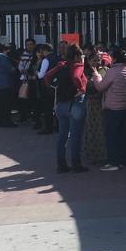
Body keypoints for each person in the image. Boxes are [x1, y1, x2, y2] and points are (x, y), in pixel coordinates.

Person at [44, 44, 89, 174]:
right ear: (76, 56)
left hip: (60, 104)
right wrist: (81, 89)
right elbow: (76, 77)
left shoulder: (61, 65)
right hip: (74, 103)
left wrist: (51, 89)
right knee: (76, 135)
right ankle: (76, 164)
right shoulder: (77, 66)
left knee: (62, 135)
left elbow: (47, 76)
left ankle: (61, 164)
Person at [94, 48, 126, 171]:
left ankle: (113, 162)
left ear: (115, 58)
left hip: (113, 108)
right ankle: (125, 160)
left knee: (112, 135)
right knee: (125, 135)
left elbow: (100, 87)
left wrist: (96, 76)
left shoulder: (113, 71)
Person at [82, 51, 108, 167]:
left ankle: (102, 155)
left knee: (102, 129)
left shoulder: (105, 70)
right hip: (90, 103)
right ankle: (92, 154)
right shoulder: (84, 72)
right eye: (93, 59)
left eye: (98, 59)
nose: (96, 62)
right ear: (88, 61)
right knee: (91, 129)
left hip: (102, 103)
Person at [0, 45, 19, 128]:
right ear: (6, 50)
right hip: (6, 83)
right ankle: (6, 121)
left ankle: (2, 121)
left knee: (2, 104)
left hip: (1, 83)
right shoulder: (3, 58)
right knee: (6, 104)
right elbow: (11, 70)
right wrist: (16, 68)